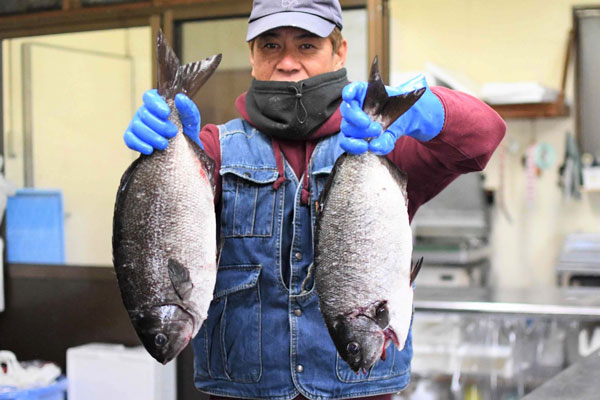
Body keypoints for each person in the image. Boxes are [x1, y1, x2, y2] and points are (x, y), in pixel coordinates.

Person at [123, 1, 506, 399]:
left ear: (340, 51)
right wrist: (166, 148)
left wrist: (428, 111)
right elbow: (160, 231)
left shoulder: (385, 146)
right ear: (252, 55)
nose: (288, 62)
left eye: (307, 46)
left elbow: (483, 138)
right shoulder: (213, 151)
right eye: (271, 46)